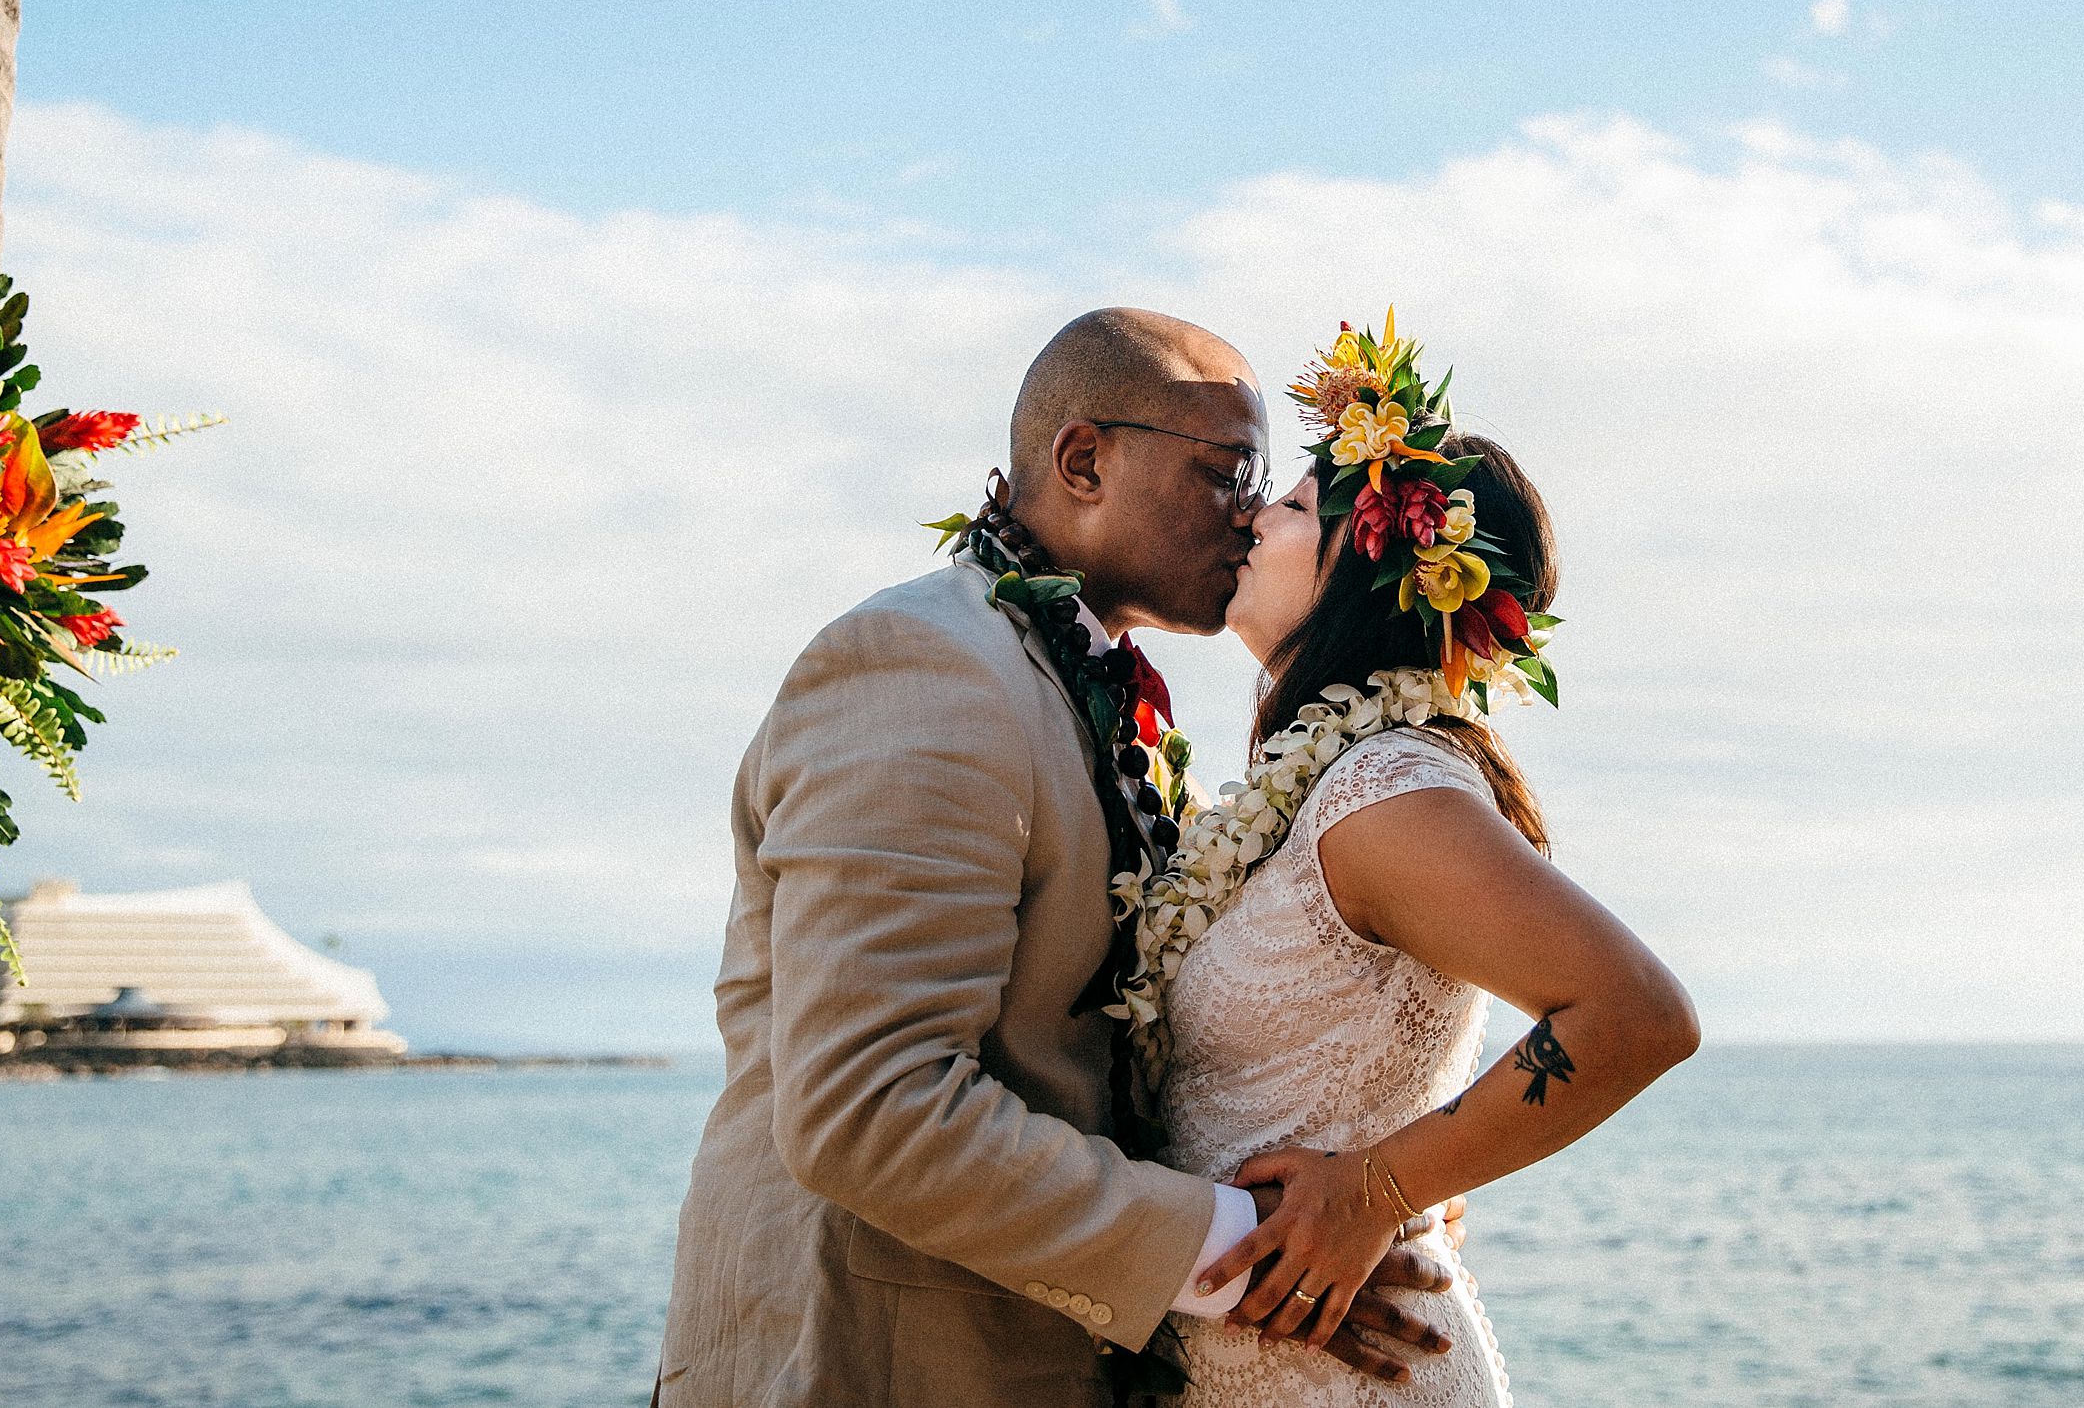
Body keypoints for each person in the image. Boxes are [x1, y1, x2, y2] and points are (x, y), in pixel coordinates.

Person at [654, 309, 1458, 1408]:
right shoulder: (922, 666)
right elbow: (870, 1106)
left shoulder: (1080, 686)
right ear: (1085, 460)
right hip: (867, 1365)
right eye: (1228, 472)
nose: (1251, 516)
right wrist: (1245, 1248)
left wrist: (1360, 1174)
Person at [1133, 313, 1701, 1405]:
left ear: (1369, 577)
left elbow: (1637, 1015)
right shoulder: (1307, 794)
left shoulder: (1381, 792)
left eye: (1295, 507)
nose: (1254, 515)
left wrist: (1379, 1186)